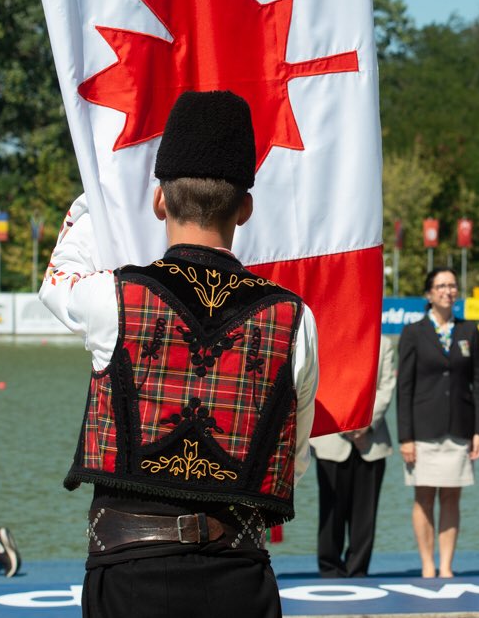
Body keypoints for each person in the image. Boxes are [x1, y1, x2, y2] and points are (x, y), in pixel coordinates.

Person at [38, 90, 319, 618]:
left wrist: (97, 195)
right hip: (240, 573)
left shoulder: (111, 298)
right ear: (246, 207)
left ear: (159, 201)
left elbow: (57, 282)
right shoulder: (295, 318)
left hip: (129, 576)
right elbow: (292, 456)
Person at [397, 268, 479, 578]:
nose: (448, 291)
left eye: (452, 285)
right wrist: (405, 436)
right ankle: (427, 565)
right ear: (429, 294)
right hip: (422, 430)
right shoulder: (413, 332)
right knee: (424, 498)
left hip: (460, 427)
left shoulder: (469, 331)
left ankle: (446, 566)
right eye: (441, 286)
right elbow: (404, 387)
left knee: (452, 496)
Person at [312, 334, 396, 578]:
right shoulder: (329, 338)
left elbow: (386, 388)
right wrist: (346, 425)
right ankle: (329, 568)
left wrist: (364, 424)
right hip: (332, 439)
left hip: (370, 440)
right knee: (330, 511)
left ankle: (358, 569)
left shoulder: (384, 344)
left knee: (365, 514)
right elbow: (321, 384)